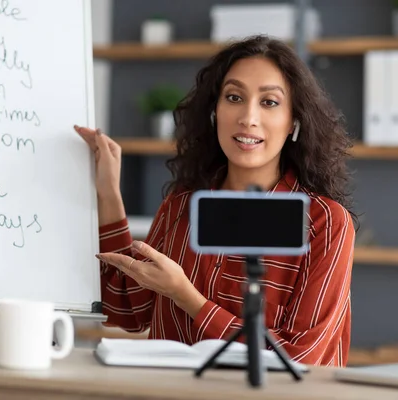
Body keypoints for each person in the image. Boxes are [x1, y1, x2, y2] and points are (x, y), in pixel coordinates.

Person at [74, 35, 357, 367]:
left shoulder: (325, 224)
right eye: (234, 97)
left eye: (269, 102)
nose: (248, 117)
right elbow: (126, 309)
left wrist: (187, 297)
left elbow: (301, 358)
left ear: (294, 120)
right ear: (214, 112)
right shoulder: (181, 208)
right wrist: (108, 192)